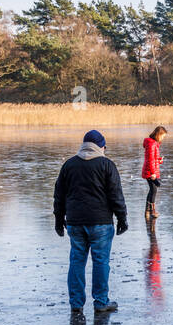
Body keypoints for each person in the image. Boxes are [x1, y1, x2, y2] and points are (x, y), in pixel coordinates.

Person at [54, 130, 128, 313]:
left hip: (75, 222)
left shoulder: (69, 165)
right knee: (101, 261)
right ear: (101, 146)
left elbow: (59, 195)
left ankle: (76, 303)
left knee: (77, 261)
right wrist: (122, 218)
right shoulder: (106, 165)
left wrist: (58, 219)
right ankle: (101, 302)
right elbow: (116, 195)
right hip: (101, 222)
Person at [141, 125, 167, 219]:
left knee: (153, 190)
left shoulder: (153, 143)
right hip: (150, 172)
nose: (163, 138)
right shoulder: (152, 144)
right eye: (163, 136)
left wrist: (159, 160)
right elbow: (150, 160)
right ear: (158, 134)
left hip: (151, 170)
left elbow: (153, 158)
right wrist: (153, 173)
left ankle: (148, 211)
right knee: (153, 190)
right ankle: (151, 211)